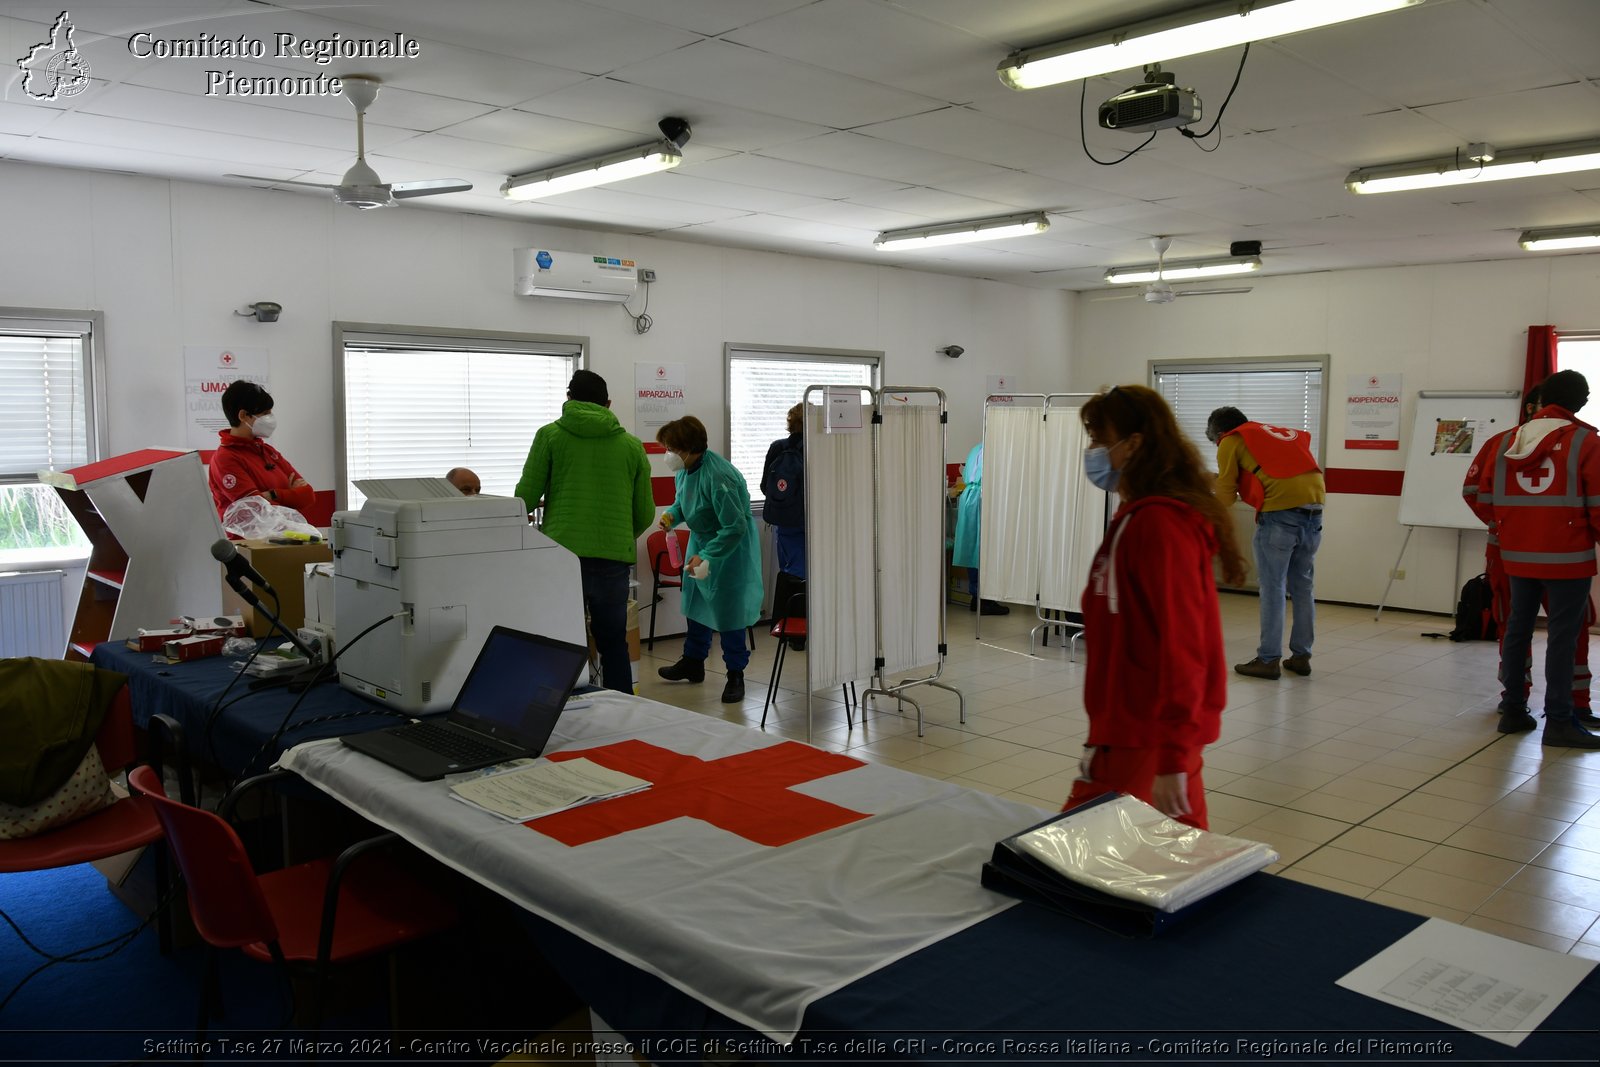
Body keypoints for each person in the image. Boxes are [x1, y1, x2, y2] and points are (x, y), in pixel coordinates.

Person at [1063, 386, 1247, 830]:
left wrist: (1174, 755)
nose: (1093, 451)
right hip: (1126, 731)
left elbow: (1185, 645)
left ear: (1135, 444)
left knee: (1079, 857)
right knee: (1178, 861)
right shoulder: (1136, 515)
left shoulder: (1160, 525)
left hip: (1145, 737)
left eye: (1099, 440)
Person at [1463, 370, 1600, 748]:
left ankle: (1512, 709)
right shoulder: (1585, 442)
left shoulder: (1506, 440)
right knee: (1564, 635)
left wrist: (1509, 527)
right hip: (1568, 557)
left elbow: (1479, 494)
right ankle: (1561, 720)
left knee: (1516, 627)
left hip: (1513, 555)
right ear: (1582, 402)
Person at [514, 370, 654, 695]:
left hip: (561, 557)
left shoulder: (549, 436)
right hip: (612, 561)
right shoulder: (632, 446)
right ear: (608, 404)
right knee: (613, 642)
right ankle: (623, 710)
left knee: (562, 639)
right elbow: (645, 513)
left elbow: (526, 498)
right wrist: (618, 535)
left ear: (569, 400)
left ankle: (558, 707)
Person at [1207, 406, 1325, 680]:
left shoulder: (1231, 441)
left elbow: (1225, 495)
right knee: (1303, 586)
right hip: (1314, 509)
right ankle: (1301, 656)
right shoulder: (1268, 435)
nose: (1216, 445)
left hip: (1279, 515)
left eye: (1215, 440)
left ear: (1221, 433)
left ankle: (1268, 659)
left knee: (1273, 587)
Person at [654, 415, 763, 703]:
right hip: (701, 546)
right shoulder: (686, 469)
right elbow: (684, 501)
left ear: (688, 448)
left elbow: (735, 527)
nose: (667, 454)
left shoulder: (719, 477)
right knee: (696, 602)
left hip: (727, 553)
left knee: (729, 613)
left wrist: (706, 555)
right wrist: (671, 516)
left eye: (670, 448)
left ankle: (735, 674)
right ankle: (693, 662)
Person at [207, 380, 314, 520]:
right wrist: (290, 493)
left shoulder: (268, 451)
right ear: (243, 415)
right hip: (247, 541)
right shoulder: (225, 458)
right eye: (265, 413)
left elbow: (308, 496)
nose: (271, 418)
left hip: (285, 536)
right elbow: (256, 510)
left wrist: (273, 495)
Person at [761, 403, 806, 643]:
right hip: (814, 523)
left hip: (786, 524)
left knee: (791, 572)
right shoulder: (821, 447)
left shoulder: (777, 447)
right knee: (815, 574)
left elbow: (764, 487)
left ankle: (790, 631)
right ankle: (813, 628)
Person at [950, 442, 1009, 615]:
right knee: (983, 549)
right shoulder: (994, 448)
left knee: (973, 549)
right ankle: (984, 599)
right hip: (983, 498)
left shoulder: (976, 448)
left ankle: (976, 597)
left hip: (969, 497)